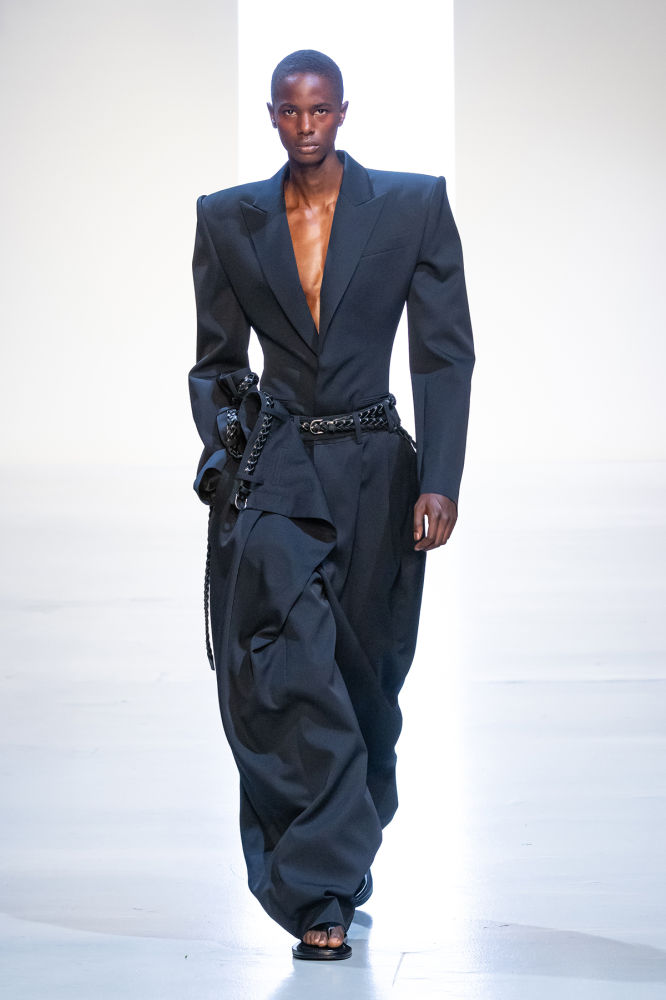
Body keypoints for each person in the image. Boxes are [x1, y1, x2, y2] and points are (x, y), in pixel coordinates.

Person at [188, 49, 474, 961]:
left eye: (320, 110)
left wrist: (440, 478)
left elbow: (443, 351)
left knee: (366, 684)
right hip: (277, 471)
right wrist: (227, 457)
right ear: (271, 115)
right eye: (290, 111)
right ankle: (317, 889)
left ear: (343, 111)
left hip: (376, 468)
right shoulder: (227, 219)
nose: (305, 126)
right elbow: (216, 362)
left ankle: (345, 852)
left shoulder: (413, 205)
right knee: (286, 672)